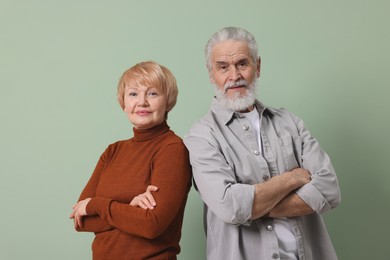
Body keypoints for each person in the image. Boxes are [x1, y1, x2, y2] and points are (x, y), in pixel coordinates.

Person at [184, 27, 341, 260]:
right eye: (223, 67)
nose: (234, 75)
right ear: (211, 74)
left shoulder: (289, 122)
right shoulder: (201, 136)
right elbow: (229, 206)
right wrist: (293, 178)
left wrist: (255, 207)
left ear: (257, 67)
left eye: (242, 64)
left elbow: (329, 189)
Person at [70, 61, 192, 260]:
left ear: (167, 100)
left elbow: (151, 224)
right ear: (123, 102)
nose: (142, 102)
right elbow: (81, 220)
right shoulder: (113, 151)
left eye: (152, 93)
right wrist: (130, 207)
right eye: (133, 93)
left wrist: (98, 205)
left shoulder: (172, 148)